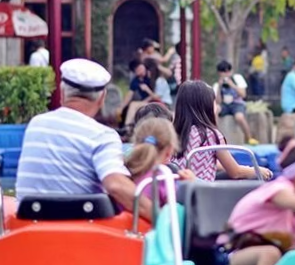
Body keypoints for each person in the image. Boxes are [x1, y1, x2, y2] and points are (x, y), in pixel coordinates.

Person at [16, 59, 152, 220]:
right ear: (102, 98)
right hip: (79, 233)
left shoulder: (35, 125)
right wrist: (161, 216)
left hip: (27, 230)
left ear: (62, 92)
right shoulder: (102, 135)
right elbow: (116, 185)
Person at [174, 80, 272, 182]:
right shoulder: (211, 135)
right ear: (207, 107)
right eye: (214, 102)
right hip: (200, 191)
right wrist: (257, 170)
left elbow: (209, 162)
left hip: (177, 188)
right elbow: (235, 172)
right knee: (255, 176)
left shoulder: (173, 132)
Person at [125, 118, 195, 182]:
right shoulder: (166, 180)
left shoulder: (122, 171)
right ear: (169, 152)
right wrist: (188, 184)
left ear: (135, 144)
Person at [213, 60, 257, 144]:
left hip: (237, 104)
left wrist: (232, 85)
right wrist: (219, 86)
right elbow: (218, 101)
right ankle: (215, 135)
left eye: (227, 71)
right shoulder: (217, 84)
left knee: (239, 117)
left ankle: (249, 137)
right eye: (223, 72)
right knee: (215, 110)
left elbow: (243, 94)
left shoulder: (237, 78)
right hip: (225, 105)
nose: (226, 74)